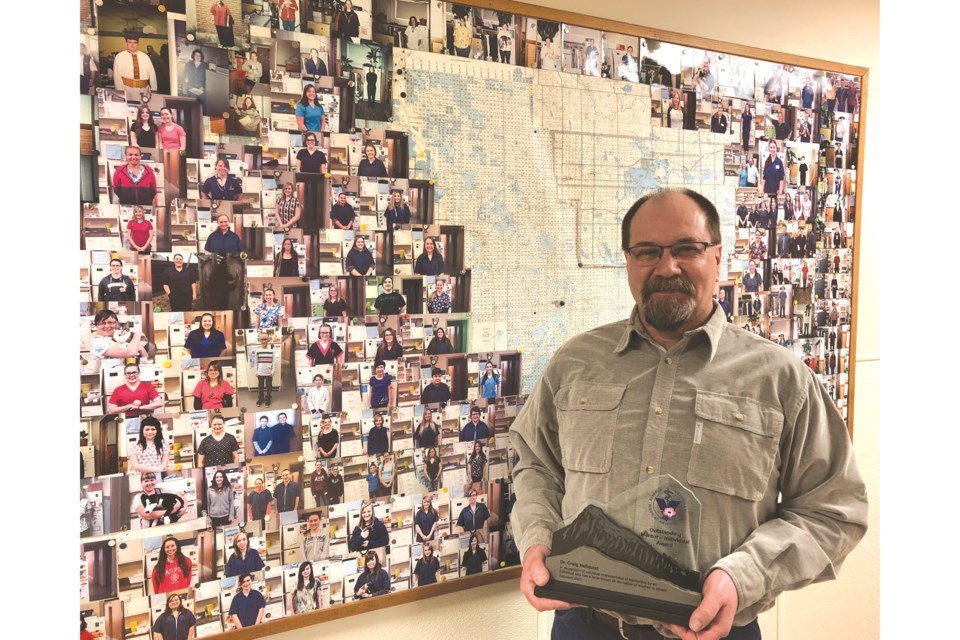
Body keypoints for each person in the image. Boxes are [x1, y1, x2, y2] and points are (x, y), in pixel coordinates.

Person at [509, 188, 867, 640]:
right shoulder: (575, 364)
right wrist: (537, 540)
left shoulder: (781, 379)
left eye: (686, 249)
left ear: (717, 257)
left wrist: (743, 576)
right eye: (647, 252)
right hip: (584, 625)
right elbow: (536, 464)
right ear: (628, 262)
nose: (666, 266)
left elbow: (834, 510)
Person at [113, 31, 157, 98]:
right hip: (127, 90)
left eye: (134, 43)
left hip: (144, 90)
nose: (132, 45)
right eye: (130, 42)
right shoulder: (119, 57)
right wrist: (120, 92)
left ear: (137, 44)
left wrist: (154, 89)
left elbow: (152, 73)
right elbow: (117, 76)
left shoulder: (145, 56)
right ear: (126, 43)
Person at [250, 332, 275, 407]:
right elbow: (255, 362)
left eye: (265, 339)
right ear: (259, 340)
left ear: (268, 340)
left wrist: (273, 371)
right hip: (260, 373)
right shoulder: (257, 351)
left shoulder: (271, 351)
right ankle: (260, 399)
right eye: (262, 339)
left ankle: (268, 399)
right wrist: (256, 371)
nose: (264, 341)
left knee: (269, 387)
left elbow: (273, 362)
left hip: (269, 373)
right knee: (260, 387)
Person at [762, 140, 785, 211]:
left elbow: (781, 178)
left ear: (776, 148)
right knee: (767, 209)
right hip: (767, 190)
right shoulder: (767, 162)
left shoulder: (779, 162)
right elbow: (764, 177)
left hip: (775, 191)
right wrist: (763, 190)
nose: (772, 149)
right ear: (769, 149)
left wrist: (780, 190)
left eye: (774, 147)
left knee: (774, 211)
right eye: (771, 147)